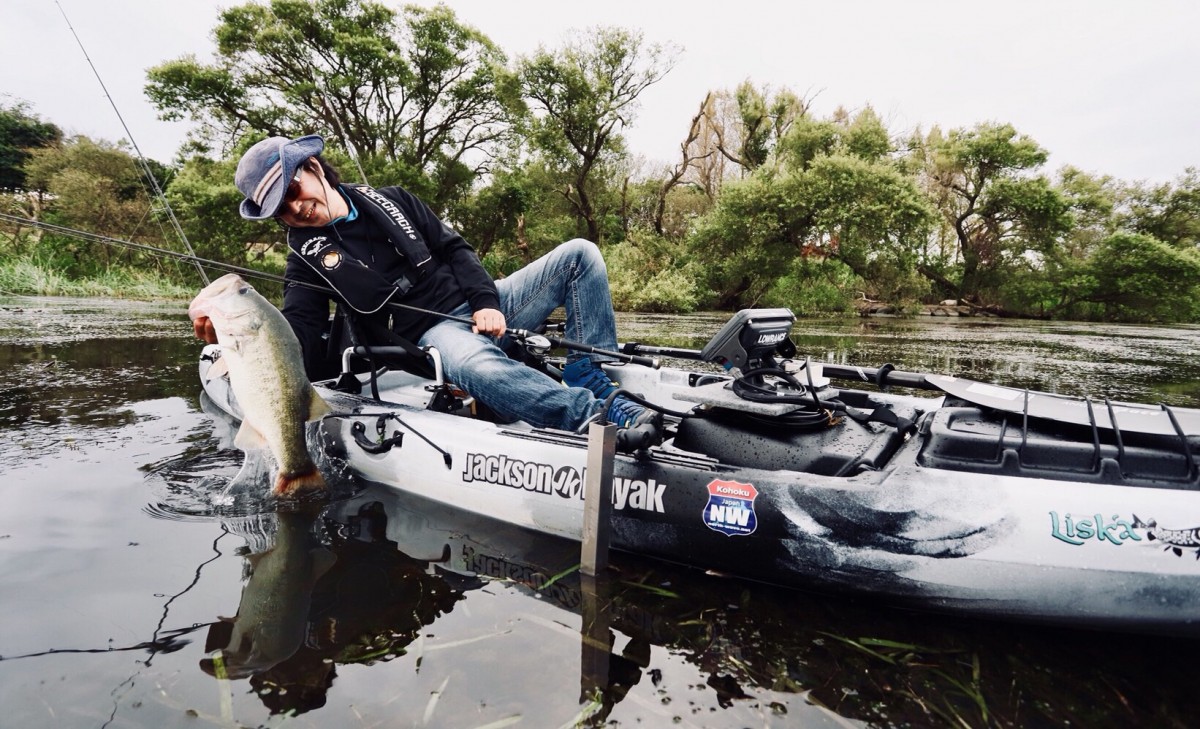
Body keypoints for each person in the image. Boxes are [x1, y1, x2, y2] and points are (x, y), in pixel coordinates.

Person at [193, 134, 661, 446]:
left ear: (313, 167)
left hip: (479, 303)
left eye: (295, 189)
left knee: (580, 253)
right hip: (432, 335)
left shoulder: (394, 198)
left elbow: (457, 251)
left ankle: (588, 370)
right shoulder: (304, 259)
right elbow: (300, 331)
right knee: (482, 367)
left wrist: (486, 302)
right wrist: (234, 334)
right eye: (283, 209)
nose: (298, 208)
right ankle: (596, 416)